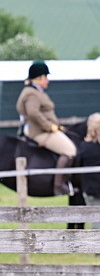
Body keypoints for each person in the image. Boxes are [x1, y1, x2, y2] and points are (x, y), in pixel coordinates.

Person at [16, 60, 76, 195]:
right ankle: (59, 184)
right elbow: (33, 113)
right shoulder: (32, 93)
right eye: (45, 77)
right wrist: (50, 127)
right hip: (40, 132)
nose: (47, 80)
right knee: (69, 150)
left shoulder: (36, 91)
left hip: (46, 129)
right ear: (38, 78)